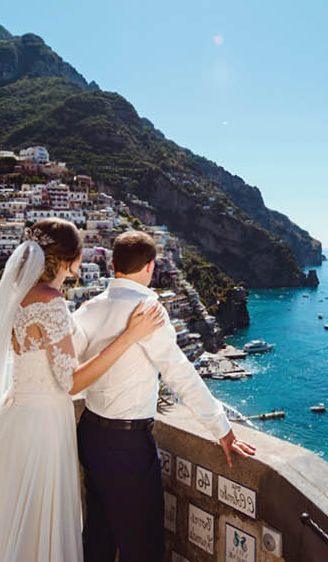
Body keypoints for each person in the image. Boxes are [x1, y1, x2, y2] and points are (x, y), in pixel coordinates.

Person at [0, 219, 163, 562]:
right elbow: (71, 383)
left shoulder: (20, 297)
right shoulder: (50, 302)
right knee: (38, 521)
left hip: (15, 418)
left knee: (9, 522)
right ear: (70, 258)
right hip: (43, 426)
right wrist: (129, 336)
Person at [72, 230, 257, 562]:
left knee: (98, 535)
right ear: (150, 267)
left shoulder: (89, 308)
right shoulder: (148, 310)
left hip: (89, 433)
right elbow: (180, 374)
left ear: (112, 265)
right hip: (127, 446)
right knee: (142, 546)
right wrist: (222, 428)